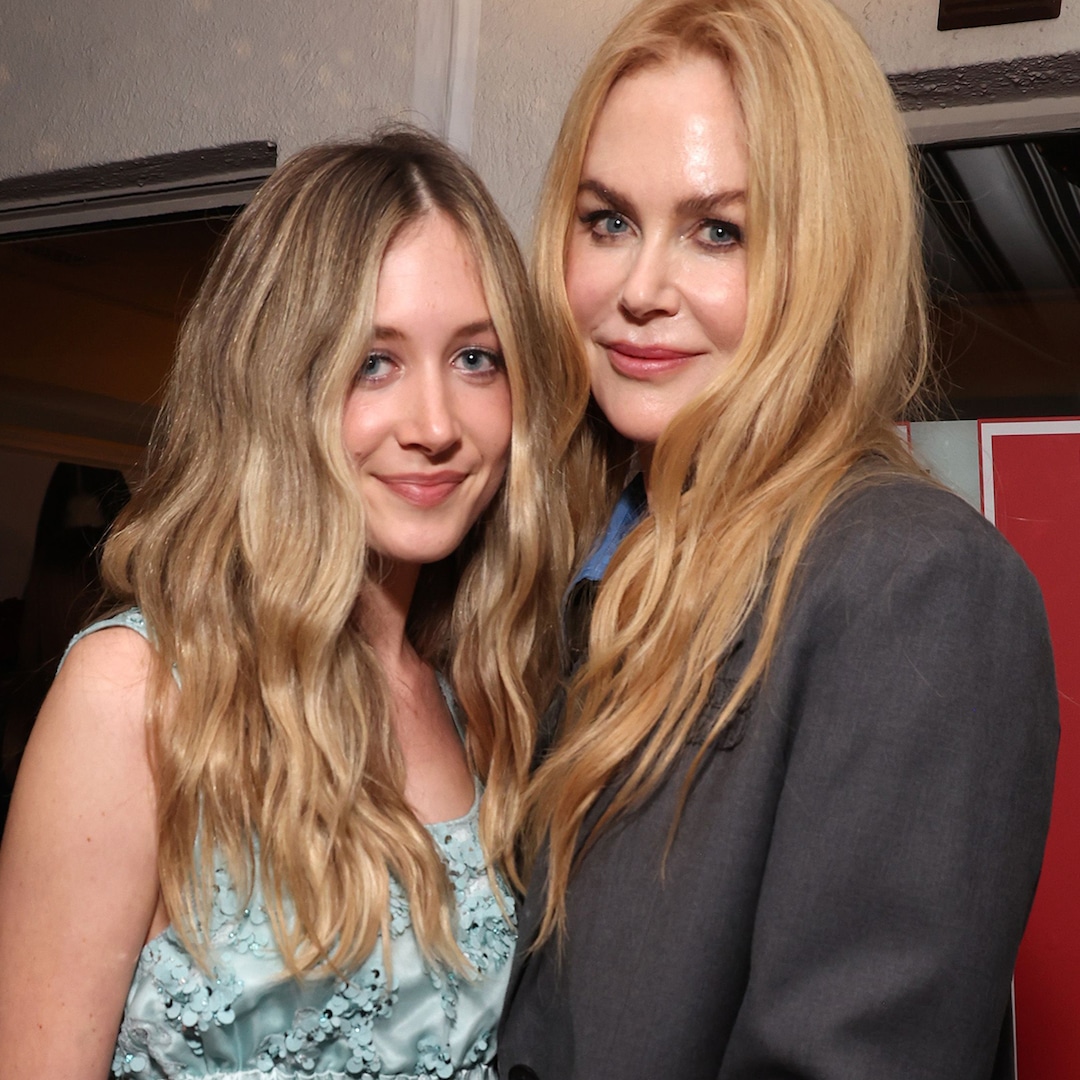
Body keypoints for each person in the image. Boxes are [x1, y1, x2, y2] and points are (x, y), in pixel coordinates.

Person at [497, 1, 1059, 1078]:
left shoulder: (914, 584)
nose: (638, 291)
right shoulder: (577, 555)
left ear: (825, 259)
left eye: (719, 231)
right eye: (607, 221)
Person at [0, 129, 564, 1080]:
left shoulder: (484, 693)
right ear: (276, 387)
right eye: (373, 362)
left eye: (476, 358)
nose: (436, 425)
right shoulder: (137, 690)